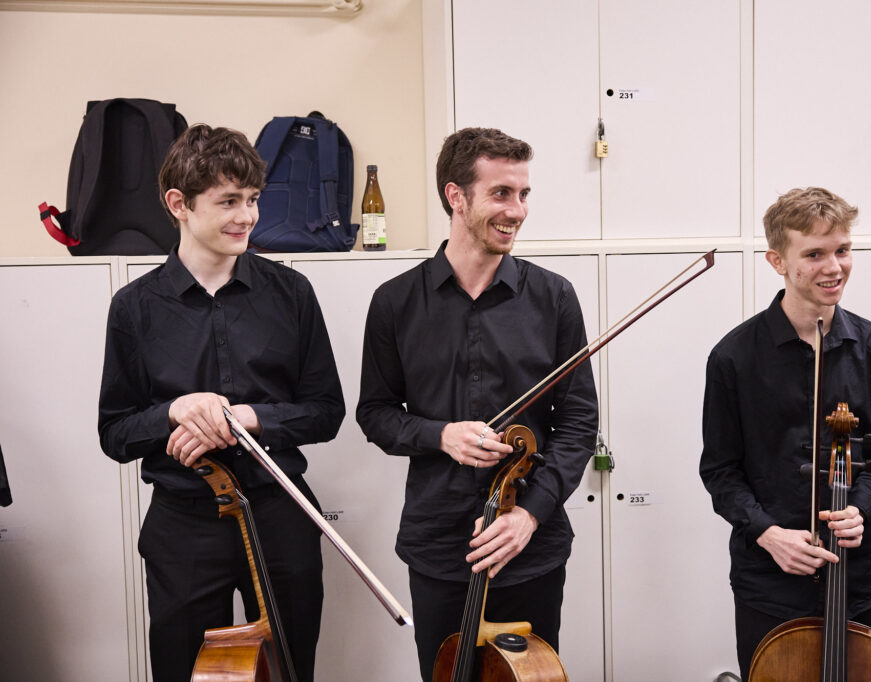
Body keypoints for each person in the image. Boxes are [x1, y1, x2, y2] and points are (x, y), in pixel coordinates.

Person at [98, 124, 345, 682]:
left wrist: (245, 419)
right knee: (183, 671)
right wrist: (175, 411)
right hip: (184, 523)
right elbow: (115, 433)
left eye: (253, 199)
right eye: (229, 201)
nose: (247, 216)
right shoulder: (134, 307)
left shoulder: (292, 293)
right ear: (178, 204)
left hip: (281, 510)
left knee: (289, 669)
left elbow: (326, 411)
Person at [356, 127, 599, 681]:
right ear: (456, 197)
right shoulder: (395, 302)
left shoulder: (555, 297)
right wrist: (439, 435)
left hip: (528, 547)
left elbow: (579, 421)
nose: (518, 210)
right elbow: (374, 413)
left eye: (524, 194)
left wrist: (530, 515)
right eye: (501, 194)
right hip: (440, 543)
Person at [699, 187, 871, 680]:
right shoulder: (733, 357)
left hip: (853, 575)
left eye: (842, 250)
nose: (833, 267)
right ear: (777, 260)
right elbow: (720, 472)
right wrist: (769, 534)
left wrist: (862, 507)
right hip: (768, 580)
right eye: (814, 254)